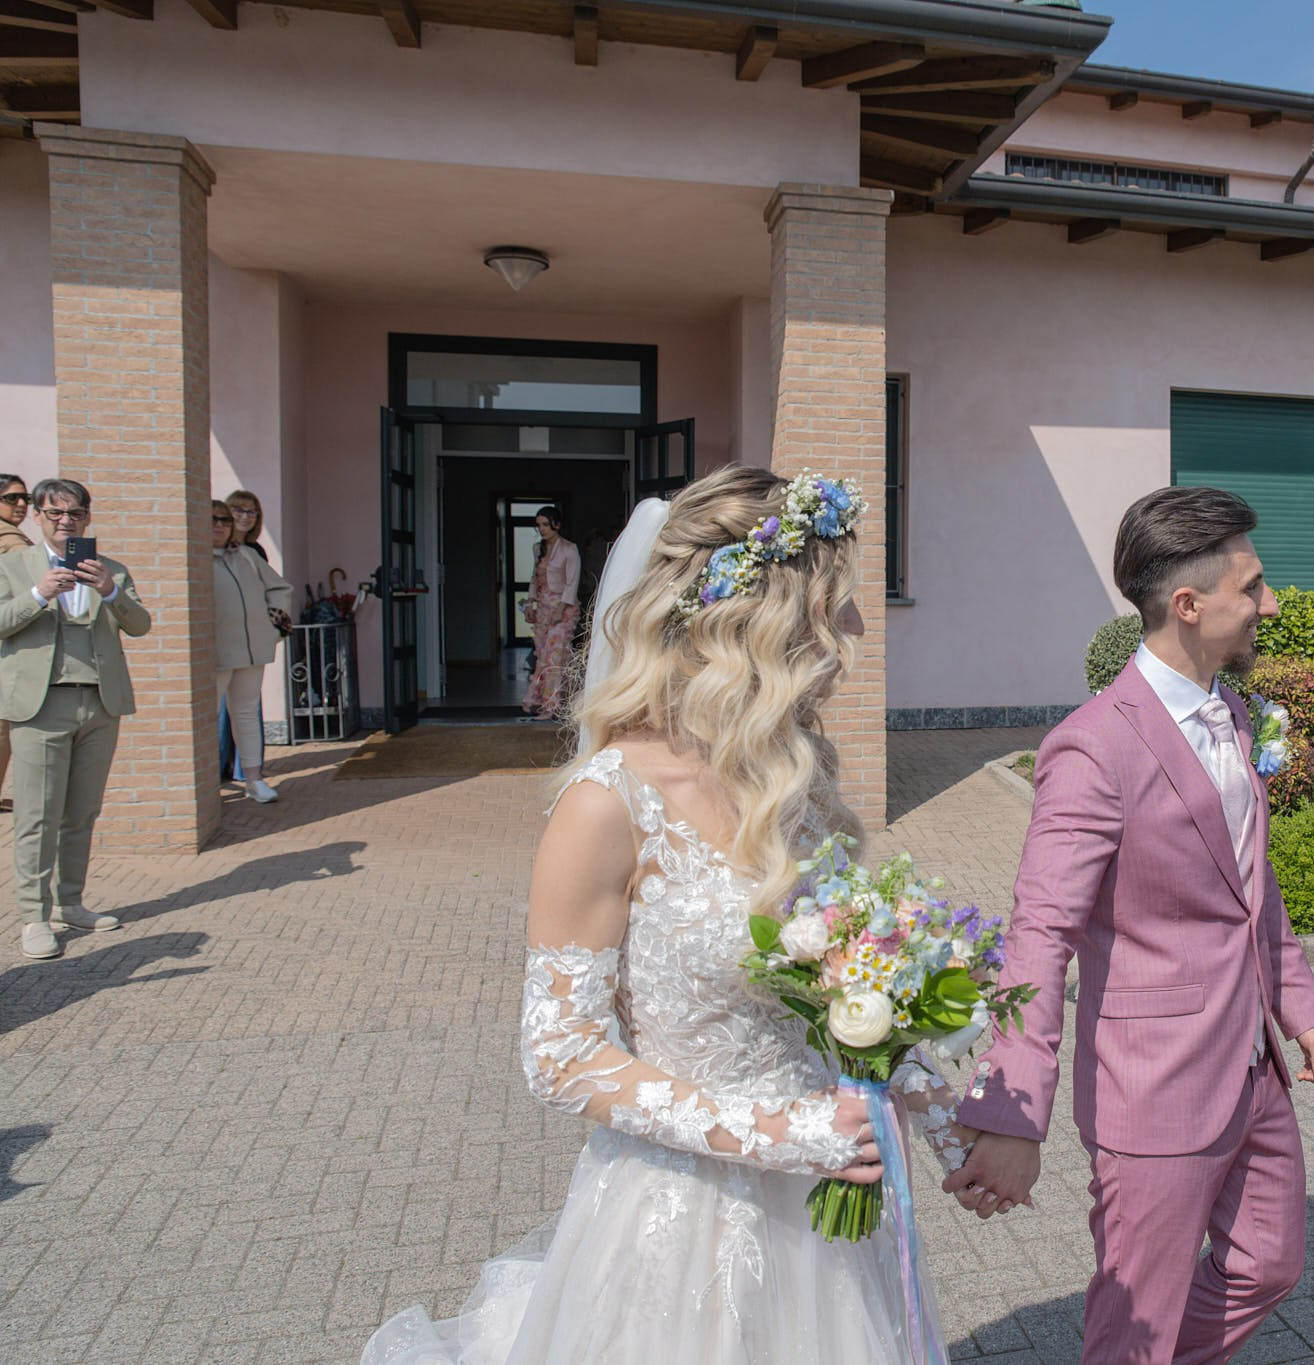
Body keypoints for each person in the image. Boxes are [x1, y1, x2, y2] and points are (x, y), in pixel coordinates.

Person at [363, 467, 971, 1365]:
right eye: (832, 605)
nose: (852, 629)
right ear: (758, 622)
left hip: (831, 1214)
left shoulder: (798, 782)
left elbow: (849, 989)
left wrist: (955, 1127)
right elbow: (560, 1054)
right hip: (685, 1226)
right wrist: (778, 1134)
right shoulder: (607, 803)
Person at [946, 486, 1314, 1364]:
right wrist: (1014, 1110)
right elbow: (1040, 931)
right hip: (1155, 1087)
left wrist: (1300, 1007)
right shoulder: (1096, 746)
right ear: (1188, 604)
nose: (1270, 604)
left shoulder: (1231, 712)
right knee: (1136, 1329)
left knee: (1272, 1261)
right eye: (1255, 585)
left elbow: (1251, 885)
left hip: (1253, 1064)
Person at [0, 478, 150, 961]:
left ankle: (70, 902)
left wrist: (110, 592)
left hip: (100, 704)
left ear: (87, 518)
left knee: (81, 812)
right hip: (41, 703)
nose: (67, 521)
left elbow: (141, 624)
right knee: (36, 816)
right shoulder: (13, 565)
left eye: (76, 513)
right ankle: (33, 917)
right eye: (55, 512)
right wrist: (39, 593)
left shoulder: (111, 570)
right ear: (39, 516)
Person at [212, 499, 293, 804]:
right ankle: (209, 783)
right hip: (216, 652)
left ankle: (254, 780)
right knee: (208, 717)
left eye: (223, 520)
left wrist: (272, 627)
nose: (219, 525)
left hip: (251, 651)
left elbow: (279, 589)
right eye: (212, 520)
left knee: (245, 713)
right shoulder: (195, 557)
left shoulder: (246, 556)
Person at [220, 488, 271, 781]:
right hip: (223, 635)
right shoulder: (214, 550)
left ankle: (247, 770)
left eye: (251, 512)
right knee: (220, 708)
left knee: (246, 705)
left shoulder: (256, 552)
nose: (245, 517)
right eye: (238, 511)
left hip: (250, 635)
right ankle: (216, 766)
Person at [520, 505, 581, 721]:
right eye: (539, 525)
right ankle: (542, 701)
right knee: (541, 656)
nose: (542, 529)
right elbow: (534, 578)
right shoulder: (538, 549)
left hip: (563, 610)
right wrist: (529, 603)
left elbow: (572, 582)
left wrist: (561, 608)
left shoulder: (569, 549)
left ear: (556, 524)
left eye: (545, 524)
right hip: (543, 609)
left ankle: (551, 705)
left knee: (554, 656)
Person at [0, 473, 35, 816]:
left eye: (26, 498)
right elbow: (32, 580)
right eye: (12, 499)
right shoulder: (11, 539)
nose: (22, 505)